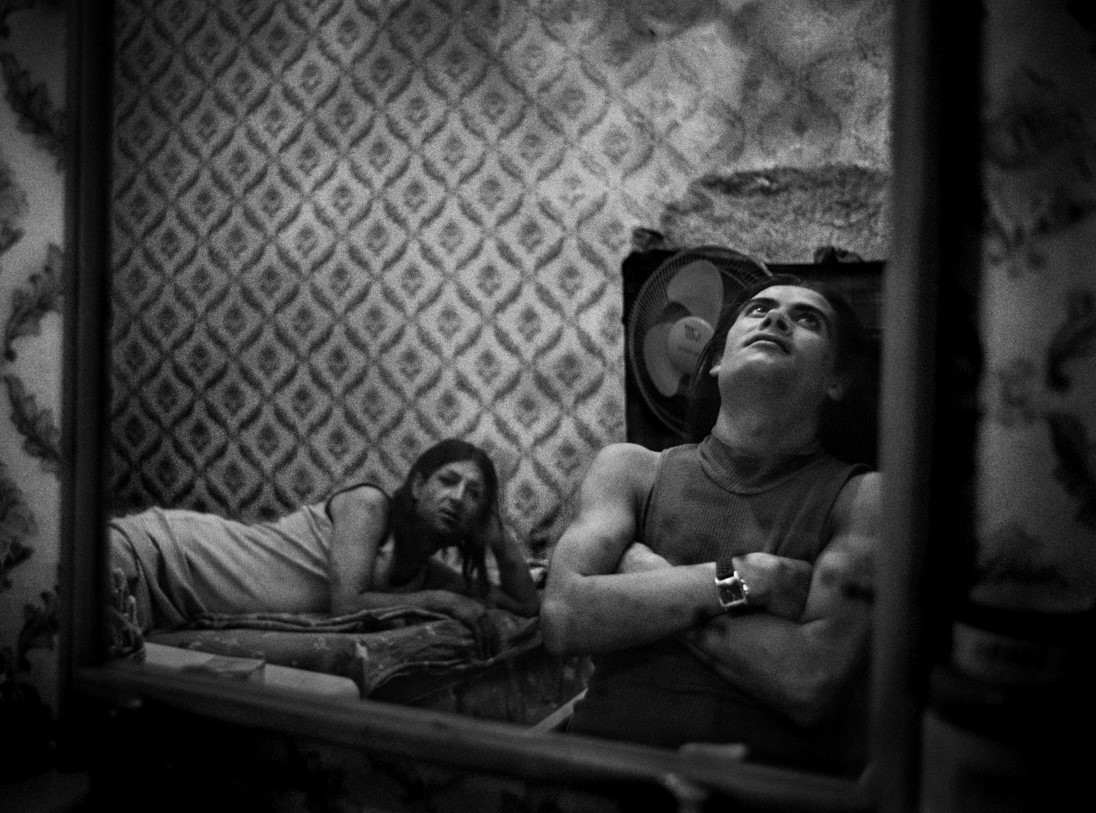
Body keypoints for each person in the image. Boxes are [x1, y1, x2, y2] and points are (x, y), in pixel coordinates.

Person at [540, 275, 880, 775]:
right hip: (599, 775)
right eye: (758, 309)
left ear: (837, 381)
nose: (776, 318)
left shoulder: (863, 497)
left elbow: (809, 680)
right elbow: (564, 615)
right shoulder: (630, 470)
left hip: (757, 792)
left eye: (808, 320)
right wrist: (751, 577)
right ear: (717, 359)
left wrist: (647, 575)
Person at [109, 438, 540, 637]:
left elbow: (525, 606)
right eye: (447, 481)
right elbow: (346, 605)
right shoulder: (369, 506)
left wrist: (500, 541)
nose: (458, 497)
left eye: (474, 494)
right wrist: (444, 601)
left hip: (174, 602)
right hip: (161, 551)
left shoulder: (423, 575)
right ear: (416, 485)